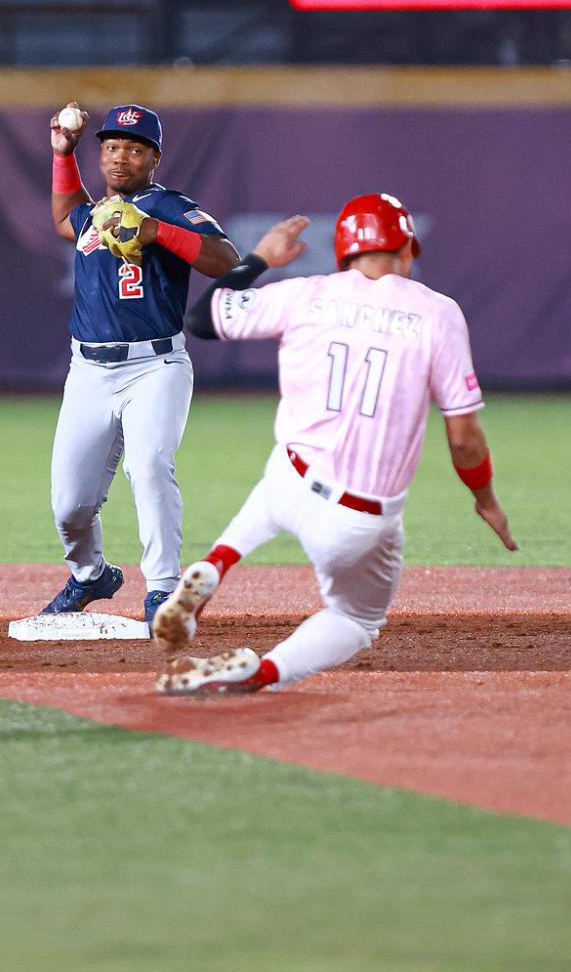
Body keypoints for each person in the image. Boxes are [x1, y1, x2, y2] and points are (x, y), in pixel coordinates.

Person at [150, 193, 517, 694]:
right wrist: (486, 500)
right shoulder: (438, 314)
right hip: (357, 518)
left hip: (292, 475)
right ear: (406, 249)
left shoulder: (306, 292)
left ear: (344, 252)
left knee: (277, 482)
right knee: (356, 620)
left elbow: (201, 320)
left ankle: (215, 565)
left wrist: (259, 259)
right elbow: (465, 440)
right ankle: (258, 673)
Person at [40, 102, 242, 623]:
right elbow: (66, 218)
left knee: (149, 464)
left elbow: (227, 260)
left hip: (156, 367)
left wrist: (156, 232)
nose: (119, 157)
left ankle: (163, 589)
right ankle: (91, 576)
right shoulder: (94, 214)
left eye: (133, 148)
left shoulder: (168, 205)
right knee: (70, 504)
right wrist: (64, 154)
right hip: (87, 370)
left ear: (154, 157)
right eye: (110, 147)